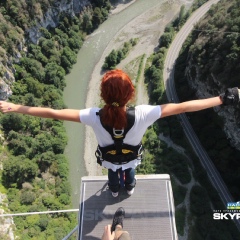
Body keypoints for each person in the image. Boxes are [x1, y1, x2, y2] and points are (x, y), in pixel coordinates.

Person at [0, 69, 239, 197]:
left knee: (113, 176)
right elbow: (184, 106)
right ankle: (131, 188)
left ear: (103, 96)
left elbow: (53, 113)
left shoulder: (93, 116)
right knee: (130, 171)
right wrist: (221, 99)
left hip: (110, 161)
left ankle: (114, 190)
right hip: (131, 157)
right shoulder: (145, 113)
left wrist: (16, 107)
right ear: (130, 94)